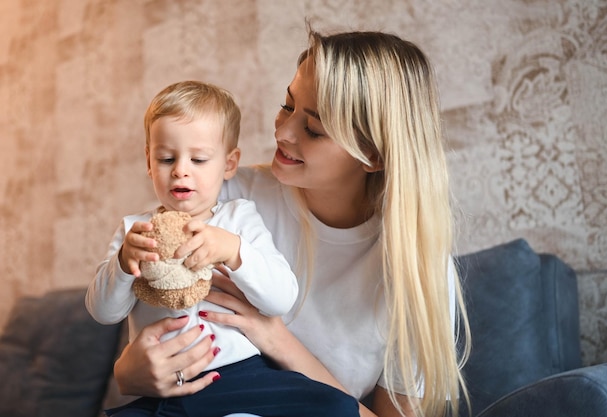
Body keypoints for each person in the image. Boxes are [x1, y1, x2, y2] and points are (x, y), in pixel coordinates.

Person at [111, 27, 471, 417]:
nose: (282, 132)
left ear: (372, 155)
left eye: (312, 129)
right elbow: (150, 302)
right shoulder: (230, 196)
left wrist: (276, 340)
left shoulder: (417, 271)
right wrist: (128, 372)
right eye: (287, 105)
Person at [85, 80, 360, 417]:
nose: (181, 170)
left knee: (338, 407)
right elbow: (102, 311)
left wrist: (233, 251)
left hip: (242, 376)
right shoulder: (134, 230)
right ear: (149, 161)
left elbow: (281, 299)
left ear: (229, 164)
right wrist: (124, 265)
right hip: (165, 387)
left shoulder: (239, 217)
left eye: (199, 159)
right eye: (166, 158)